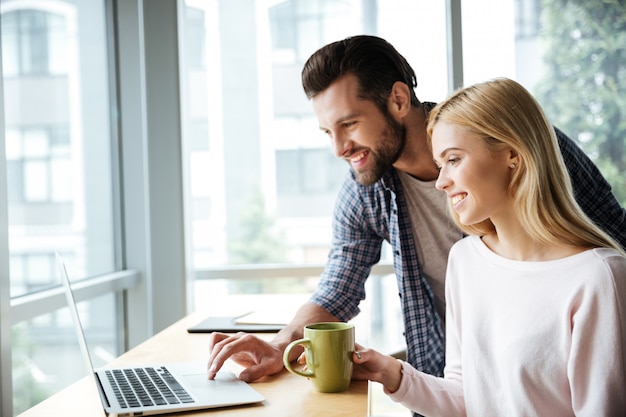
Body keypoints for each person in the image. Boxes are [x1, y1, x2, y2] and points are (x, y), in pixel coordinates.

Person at [207, 35, 626, 384]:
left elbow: (612, 240)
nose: (339, 148)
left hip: (548, 376)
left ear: (399, 99)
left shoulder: (510, 142)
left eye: (349, 124)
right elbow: (339, 286)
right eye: (327, 131)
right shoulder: (365, 190)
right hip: (450, 381)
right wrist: (281, 345)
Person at [350, 77, 626, 416]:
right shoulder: (466, 261)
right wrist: (391, 374)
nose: (441, 181)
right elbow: (465, 396)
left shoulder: (599, 276)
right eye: (440, 164)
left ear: (512, 154)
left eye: (453, 159)